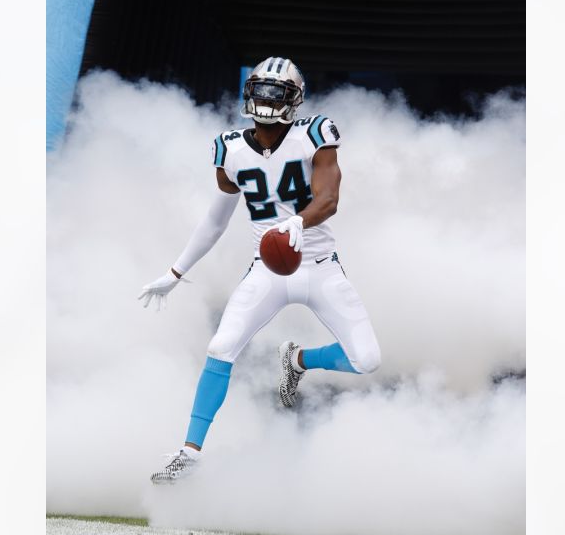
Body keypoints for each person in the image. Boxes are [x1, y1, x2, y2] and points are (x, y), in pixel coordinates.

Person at [138, 56, 382, 484]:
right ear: (248, 94)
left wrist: (298, 221)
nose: (267, 101)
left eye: (277, 93)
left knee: (368, 360)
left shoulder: (315, 134)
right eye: (261, 91)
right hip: (267, 270)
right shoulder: (229, 148)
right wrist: (174, 273)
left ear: (295, 99)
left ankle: (298, 359)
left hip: (321, 266)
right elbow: (215, 221)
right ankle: (189, 453)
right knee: (221, 346)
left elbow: (329, 199)